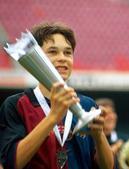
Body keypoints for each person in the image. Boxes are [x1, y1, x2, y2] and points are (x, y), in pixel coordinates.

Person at [0, 22, 114, 169]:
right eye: (53, 52)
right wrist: (53, 117)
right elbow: (12, 163)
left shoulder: (87, 105)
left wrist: (99, 136)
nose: (63, 58)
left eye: (68, 52)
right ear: (36, 57)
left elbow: (108, 167)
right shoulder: (16, 105)